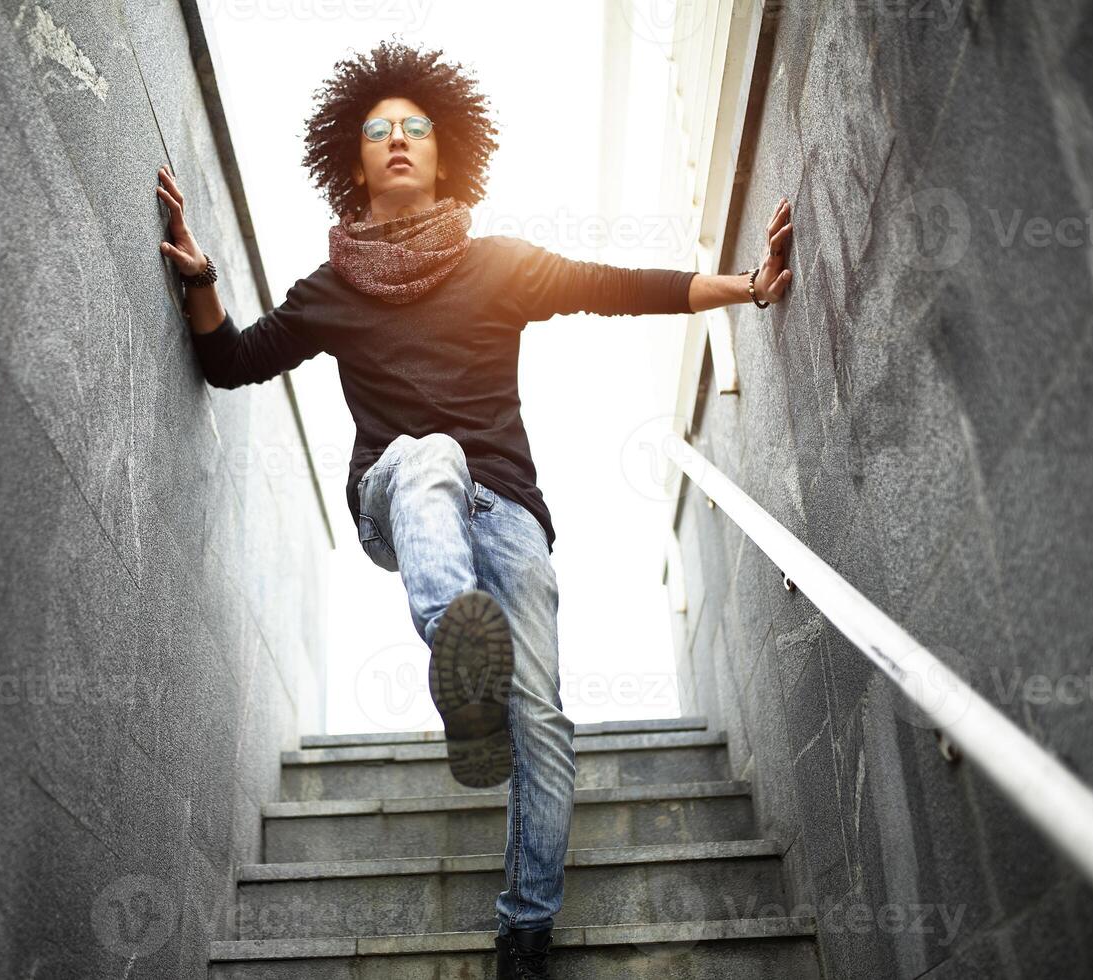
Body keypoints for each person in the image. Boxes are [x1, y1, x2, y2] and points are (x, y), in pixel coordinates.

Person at [156, 38, 792, 980]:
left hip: (509, 518)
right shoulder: (331, 290)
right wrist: (202, 279)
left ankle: (525, 930)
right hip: (397, 503)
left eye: (417, 128)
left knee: (541, 717)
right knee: (428, 453)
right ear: (355, 158)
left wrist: (745, 285)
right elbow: (230, 361)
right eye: (379, 131)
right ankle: (456, 638)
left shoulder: (497, 264)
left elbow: (612, 288)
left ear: (447, 152)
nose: (399, 140)